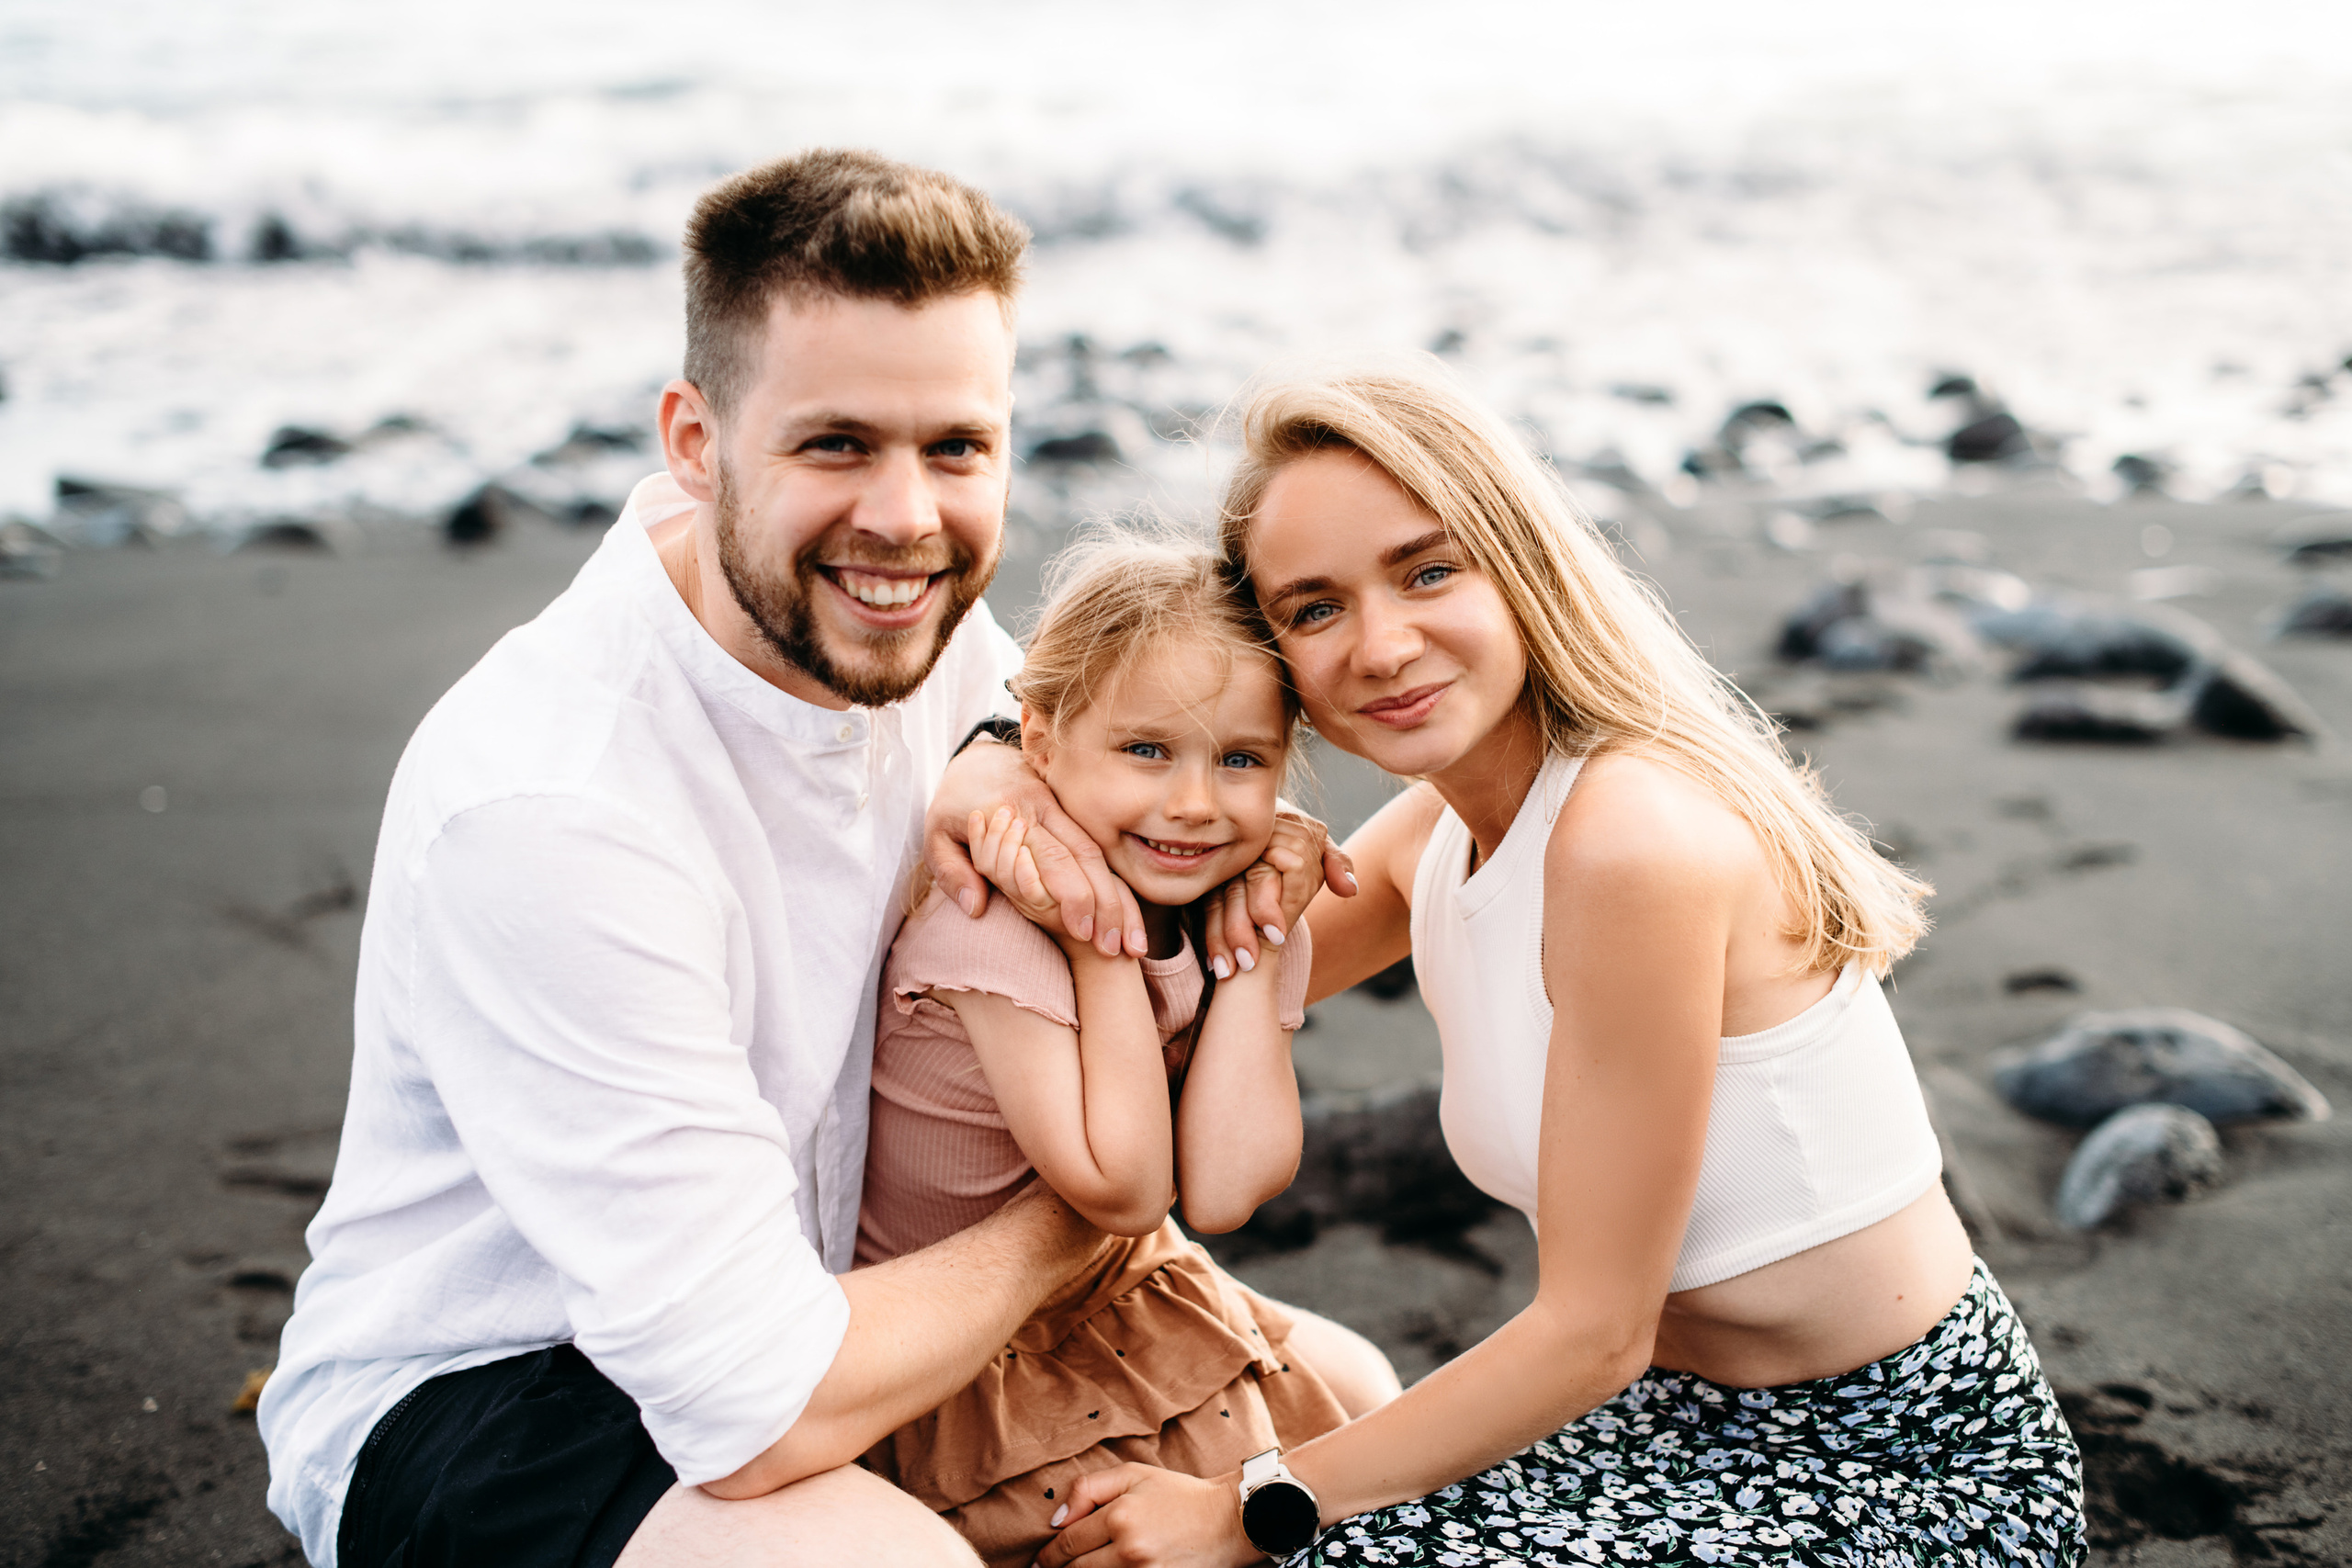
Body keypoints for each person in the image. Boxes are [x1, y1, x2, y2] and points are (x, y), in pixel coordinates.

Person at [258, 149, 1336, 1568]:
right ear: (694, 441)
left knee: (1341, 1432)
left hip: (848, 1291)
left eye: (957, 447)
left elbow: (1042, 738)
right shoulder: (554, 802)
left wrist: (1115, 817)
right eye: (836, 443)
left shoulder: (925, 649)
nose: (904, 517)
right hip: (510, 1382)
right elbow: (753, 1408)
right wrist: (1092, 1218)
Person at [1039, 364, 2086, 1568]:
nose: (1381, 644)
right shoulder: (1449, 827)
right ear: (1276, 658)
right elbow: (1192, 982)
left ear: (1519, 562)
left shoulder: (1628, 838)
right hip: (1667, 1418)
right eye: (1313, 607)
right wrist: (1000, 787)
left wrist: (1246, 1501)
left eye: (1430, 569)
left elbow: (1594, 1332)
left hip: (1901, 1462)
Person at [856, 531, 1401, 1566]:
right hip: (967, 1349)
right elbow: (1122, 1186)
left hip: (1126, 1293)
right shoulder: (985, 925)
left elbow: (1232, 1186)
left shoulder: (1222, 902)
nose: (1195, 803)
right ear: (1042, 743)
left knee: (1348, 1434)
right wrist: (1095, 942)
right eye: (1147, 750)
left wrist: (1251, 955)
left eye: (1241, 760)